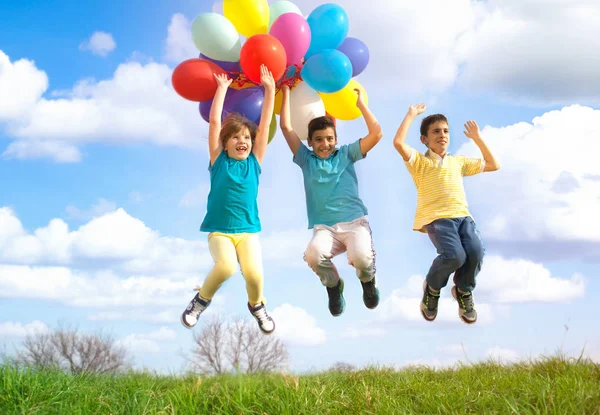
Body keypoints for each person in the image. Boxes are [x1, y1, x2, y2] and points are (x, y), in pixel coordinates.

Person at [181, 65, 276, 334]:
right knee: (226, 267)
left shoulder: (255, 163)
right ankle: (199, 302)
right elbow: (213, 124)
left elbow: (266, 123)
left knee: (255, 275)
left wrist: (270, 90)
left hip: (247, 232)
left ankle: (257, 306)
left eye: (246, 136)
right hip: (220, 231)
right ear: (225, 143)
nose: (242, 140)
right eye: (235, 137)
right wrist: (221, 89)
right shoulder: (218, 161)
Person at [279, 84, 383, 316]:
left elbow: (376, 134)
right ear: (310, 142)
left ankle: (368, 282)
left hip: (354, 224)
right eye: (318, 140)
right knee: (313, 256)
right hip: (325, 228)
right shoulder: (306, 160)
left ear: (336, 138)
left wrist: (361, 106)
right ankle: (334, 287)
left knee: (362, 259)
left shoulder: (347, 153)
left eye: (329, 139)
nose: (324, 144)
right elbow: (286, 127)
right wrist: (286, 93)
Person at [393, 104, 500, 324]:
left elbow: (493, 164)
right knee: (454, 256)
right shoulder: (420, 163)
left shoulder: (458, 162)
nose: (442, 135)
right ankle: (432, 289)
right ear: (424, 139)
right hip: (437, 219)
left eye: (445, 131)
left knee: (476, 252)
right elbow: (398, 143)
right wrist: (411, 115)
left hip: (463, 217)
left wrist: (477, 138)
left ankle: (463, 290)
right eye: (436, 131)